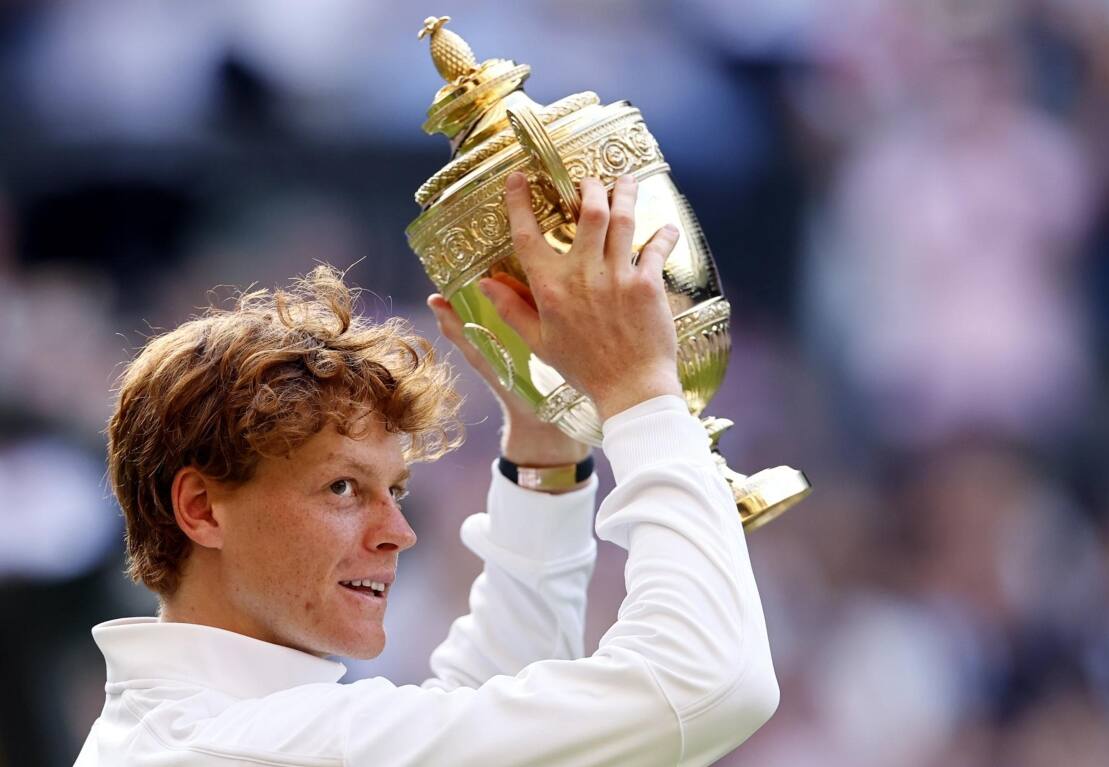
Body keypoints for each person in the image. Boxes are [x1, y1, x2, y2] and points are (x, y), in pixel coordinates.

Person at [75, 173, 779, 766]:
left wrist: (543, 437)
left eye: (397, 489)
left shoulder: (213, 727)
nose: (397, 533)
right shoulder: (247, 745)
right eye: (343, 487)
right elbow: (707, 682)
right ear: (200, 508)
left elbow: (487, 705)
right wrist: (640, 392)